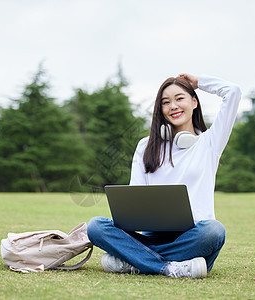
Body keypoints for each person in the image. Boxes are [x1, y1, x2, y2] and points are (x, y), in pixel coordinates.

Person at [87, 72, 241, 278]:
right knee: (96, 226)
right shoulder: (146, 146)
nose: (173, 106)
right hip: (152, 236)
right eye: (166, 102)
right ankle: (171, 268)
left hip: (193, 238)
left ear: (194, 102)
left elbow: (233, 92)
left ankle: (135, 261)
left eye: (180, 98)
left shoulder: (210, 143)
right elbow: (135, 197)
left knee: (214, 231)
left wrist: (198, 82)